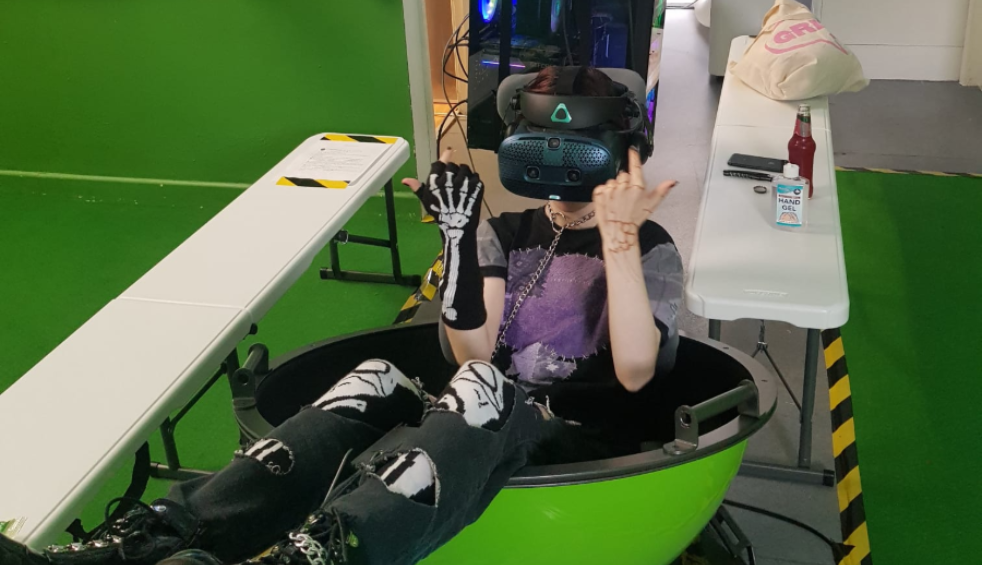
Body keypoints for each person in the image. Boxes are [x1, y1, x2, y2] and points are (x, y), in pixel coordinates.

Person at [0, 66, 683, 565]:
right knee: (380, 374)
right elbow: (471, 351)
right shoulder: (509, 230)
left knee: (485, 388)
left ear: (622, 154)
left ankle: (323, 553)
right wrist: (459, 235)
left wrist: (619, 242)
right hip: (481, 419)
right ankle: (161, 536)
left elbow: (633, 371)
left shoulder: (648, 247)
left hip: (576, 439)